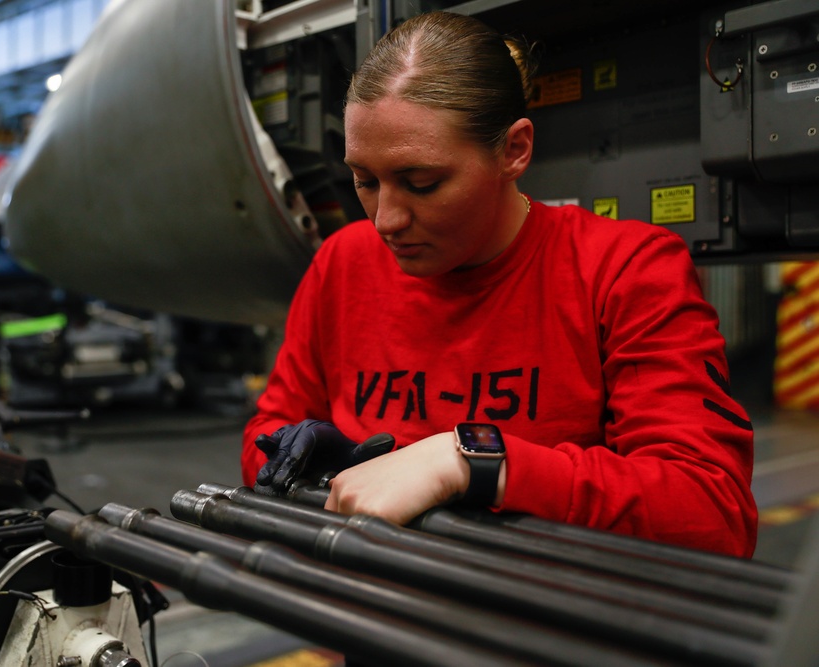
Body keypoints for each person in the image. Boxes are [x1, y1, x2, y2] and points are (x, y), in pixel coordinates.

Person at [241, 11, 757, 558]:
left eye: (421, 183)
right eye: (365, 181)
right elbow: (266, 432)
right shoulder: (343, 263)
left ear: (514, 150)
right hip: (376, 621)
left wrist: (476, 461)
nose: (385, 220)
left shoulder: (622, 268)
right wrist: (302, 459)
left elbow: (709, 511)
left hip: (548, 629)